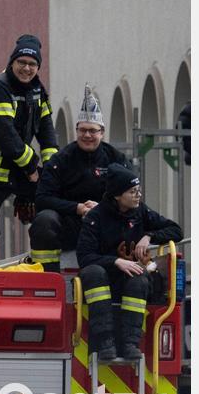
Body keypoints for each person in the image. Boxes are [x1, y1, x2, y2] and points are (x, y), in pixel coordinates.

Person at [76, 163, 182, 359]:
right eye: (133, 191)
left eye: (139, 191)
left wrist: (149, 236)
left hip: (129, 278)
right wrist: (115, 262)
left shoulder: (140, 211)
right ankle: (105, 341)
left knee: (140, 278)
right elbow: (84, 257)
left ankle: (130, 343)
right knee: (93, 272)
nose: (138, 195)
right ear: (117, 195)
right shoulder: (96, 218)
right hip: (102, 279)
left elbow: (176, 230)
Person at [0, 35, 58, 264]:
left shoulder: (37, 90)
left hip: (19, 170)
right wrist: (31, 168)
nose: (27, 69)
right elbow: (5, 135)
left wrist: (53, 169)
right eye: (22, 63)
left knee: (48, 216)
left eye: (32, 65)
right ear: (12, 62)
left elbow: (47, 131)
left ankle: (45, 271)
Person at [30, 87, 131, 272]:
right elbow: (43, 199)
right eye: (82, 130)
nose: (87, 135)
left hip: (106, 224)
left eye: (92, 131)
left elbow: (132, 197)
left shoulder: (116, 159)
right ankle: (48, 275)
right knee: (44, 221)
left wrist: (101, 208)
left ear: (102, 132)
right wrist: (78, 208)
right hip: (70, 224)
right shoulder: (61, 160)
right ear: (76, 131)